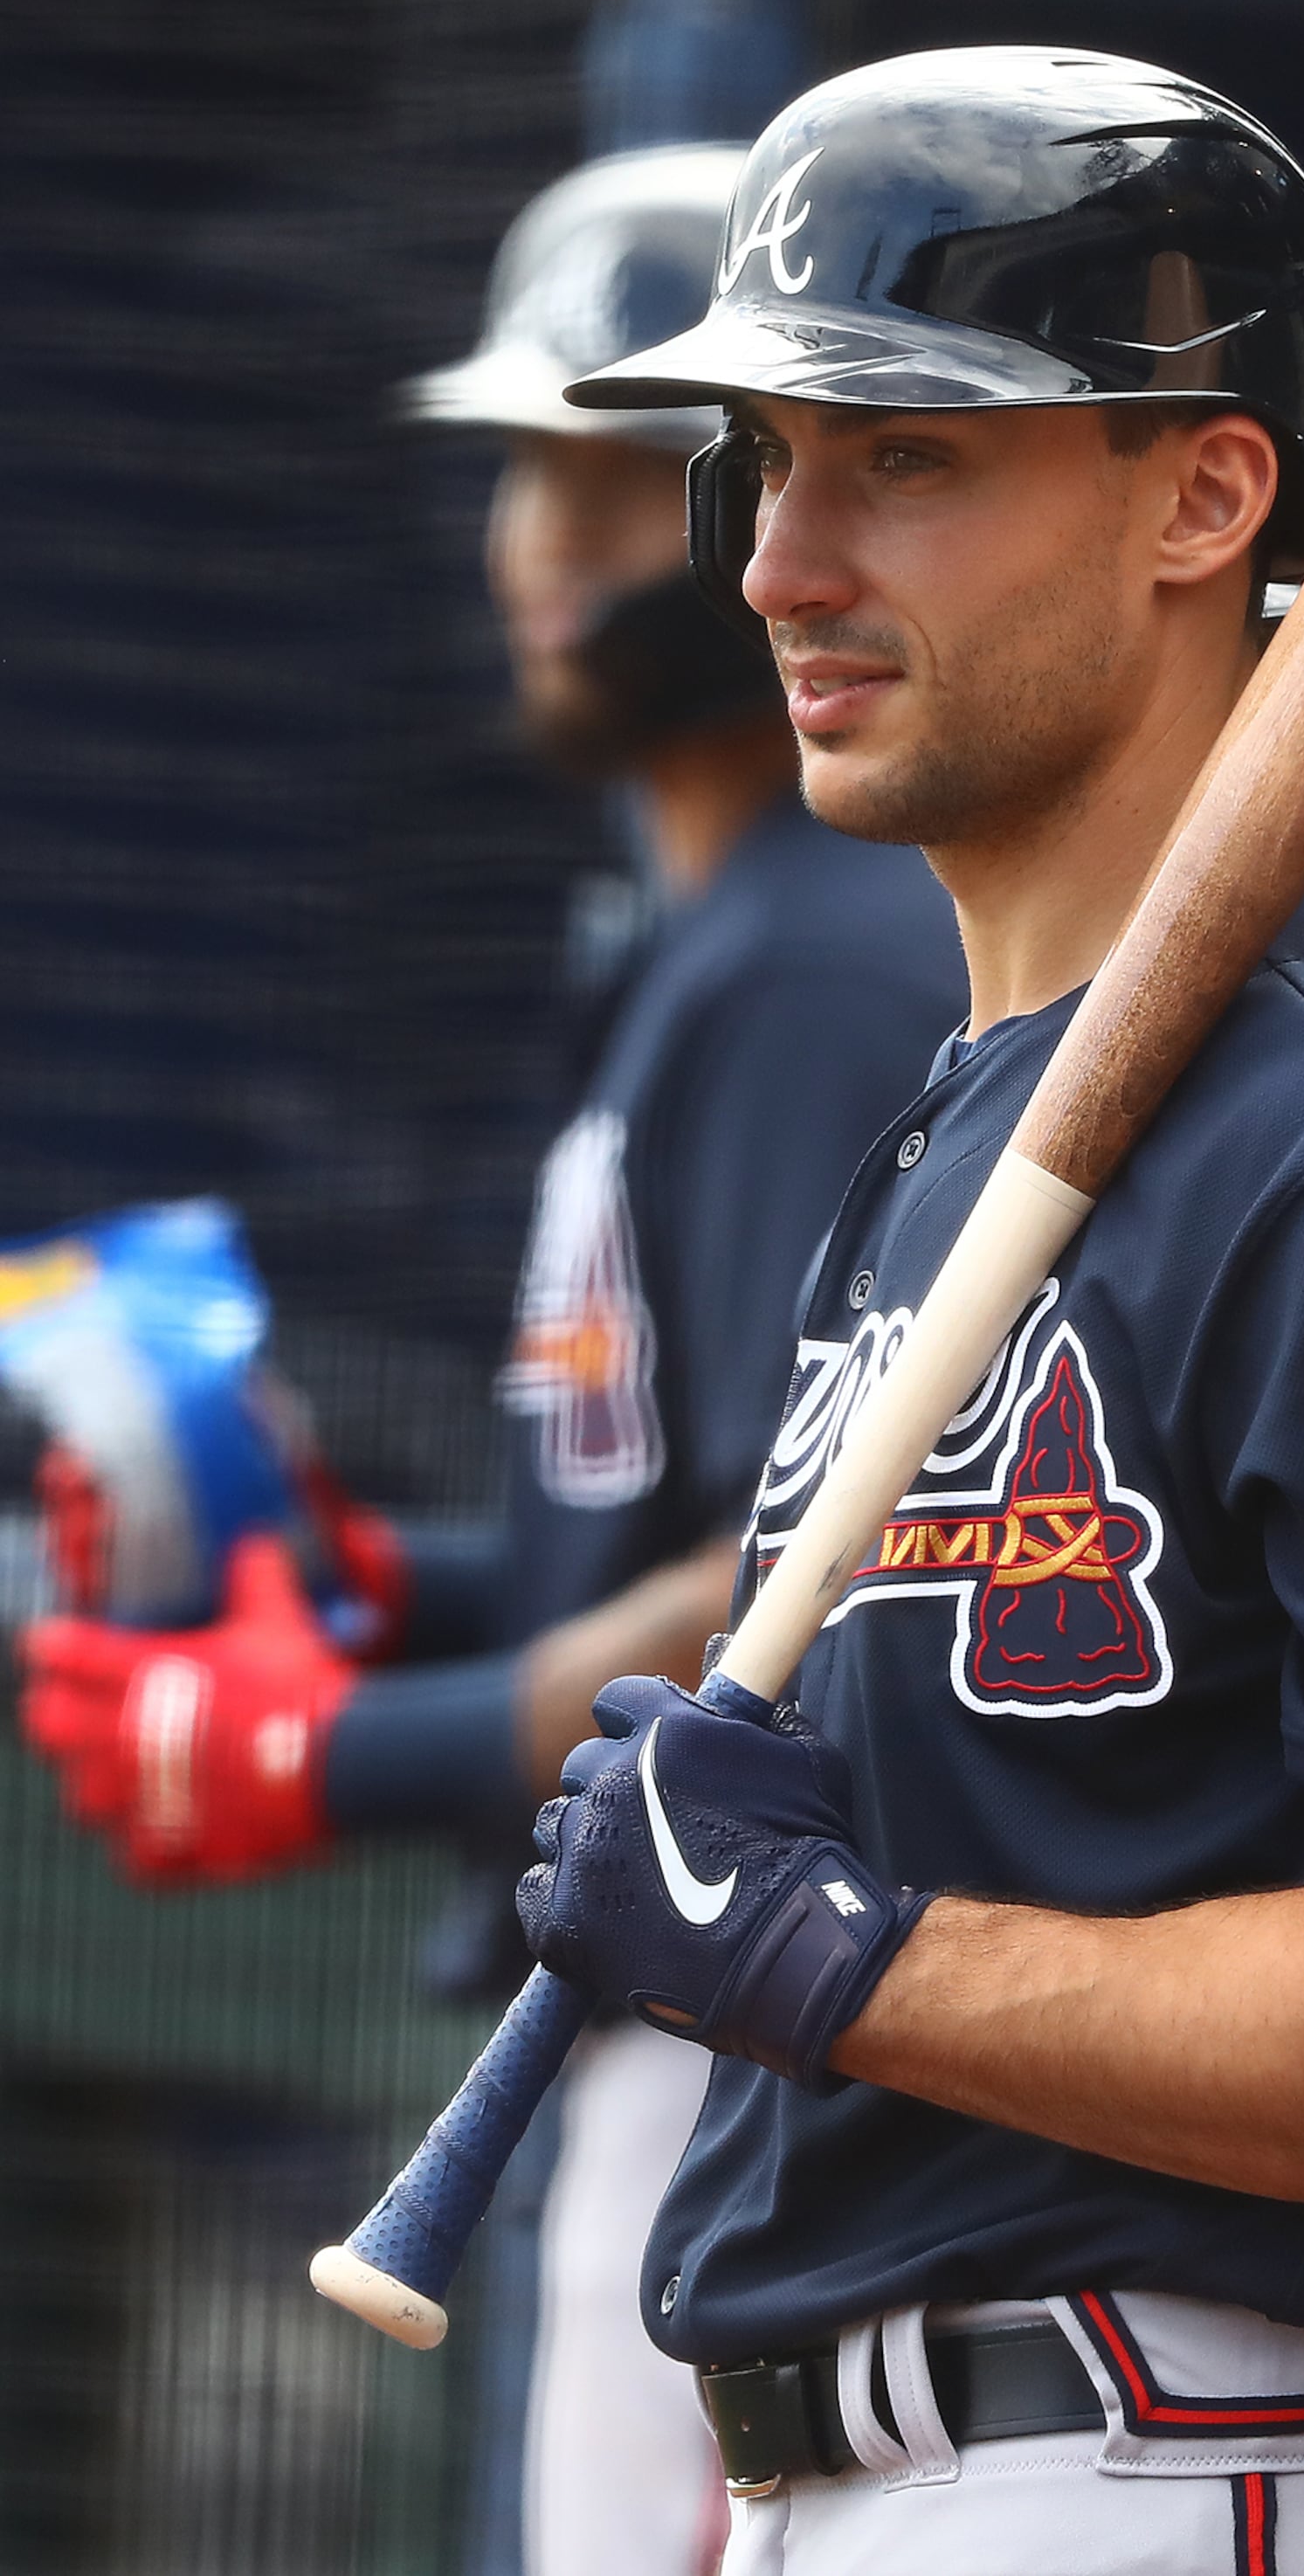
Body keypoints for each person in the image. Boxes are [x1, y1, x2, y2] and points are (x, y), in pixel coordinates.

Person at [528, 45, 1304, 2576]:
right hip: (916, 2458)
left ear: (1209, 489)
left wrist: (859, 1959)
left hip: (1214, 2459)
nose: (777, 557)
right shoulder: (996, 1095)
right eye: (760, 458)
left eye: (910, 455)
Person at [13, 145, 973, 2576]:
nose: (547, 535)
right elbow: (662, 1517)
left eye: (611, 466)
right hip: (662, 1995)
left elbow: (821, 1579)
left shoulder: (811, 960)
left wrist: (332, 1741)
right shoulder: (716, 939)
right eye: (516, 468)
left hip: (739, 2012)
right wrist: (380, 1577)